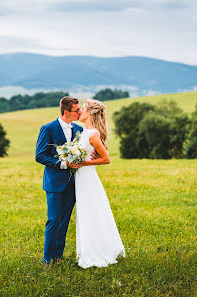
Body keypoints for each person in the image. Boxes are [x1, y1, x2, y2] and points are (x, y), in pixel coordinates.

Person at [74, 99, 126, 268]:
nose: (79, 111)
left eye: (82, 108)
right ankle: (89, 248)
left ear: (89, 112)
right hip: (81, 177)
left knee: (91, 212)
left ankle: (95, 252)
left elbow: (106, 159)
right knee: (87, 212)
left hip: (87, 178)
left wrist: (83, 163)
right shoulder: (84, 132)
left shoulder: (93, 134)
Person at [35, 96, 83, 267]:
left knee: (64, 221)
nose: (80, 112)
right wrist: (63, 163)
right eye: (77, 110)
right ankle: (47, 259)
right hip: (55, 183)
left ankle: (58, 256)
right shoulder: (48, 128)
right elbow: (40, 155)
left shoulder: (78, 129)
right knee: (54, 220)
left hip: (73, 183)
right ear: (66, 111)